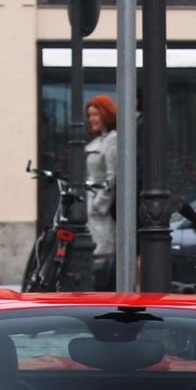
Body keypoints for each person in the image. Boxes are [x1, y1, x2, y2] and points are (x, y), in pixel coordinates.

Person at [84, 94, 119, 289]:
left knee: (102, 257)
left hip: (100, 211)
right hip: (91, 205)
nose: (91, 119)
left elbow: (112, 177)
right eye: (90, 115)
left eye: (95, 114)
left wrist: (99, 206)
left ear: (106, 114)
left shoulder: (112, 140)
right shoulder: (100, 140)